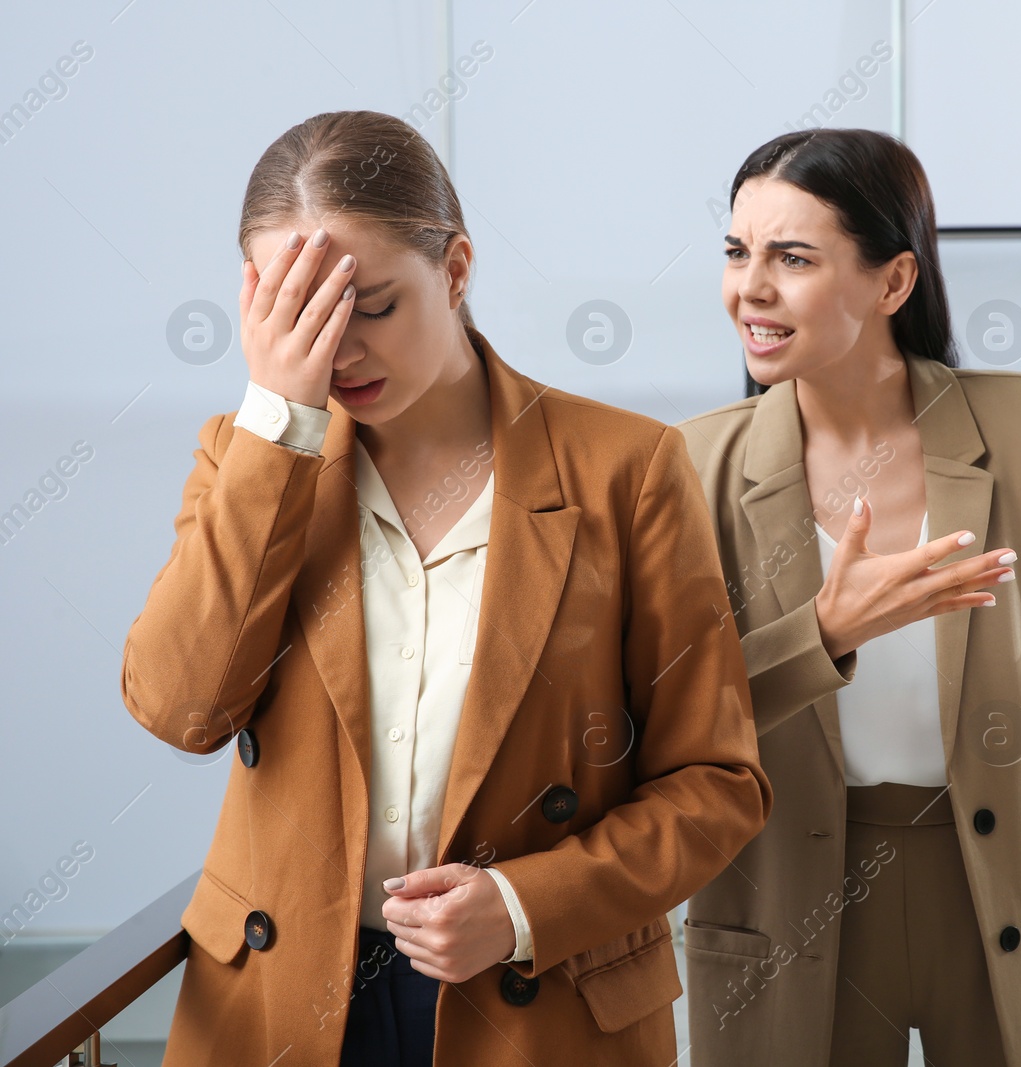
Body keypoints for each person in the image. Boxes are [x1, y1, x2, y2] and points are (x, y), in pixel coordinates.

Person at [121, 109, 771, 1067]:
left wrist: (519, 906)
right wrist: (279, 429)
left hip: (534, 997)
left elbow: (717, 782)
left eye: (369, 304)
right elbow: (180, 709)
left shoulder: (627, 469)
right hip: (284, 994)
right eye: (297, 313)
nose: (335, 352)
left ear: (457, 269)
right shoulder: (244, 453)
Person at [677, 128, 1021, 1067]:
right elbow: (673, 709)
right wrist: (825, 631)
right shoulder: (694, 464)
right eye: (738, 252)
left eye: (792, 257)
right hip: (797, 889)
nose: (750, 288)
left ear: (893, 283)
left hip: (995, 874)